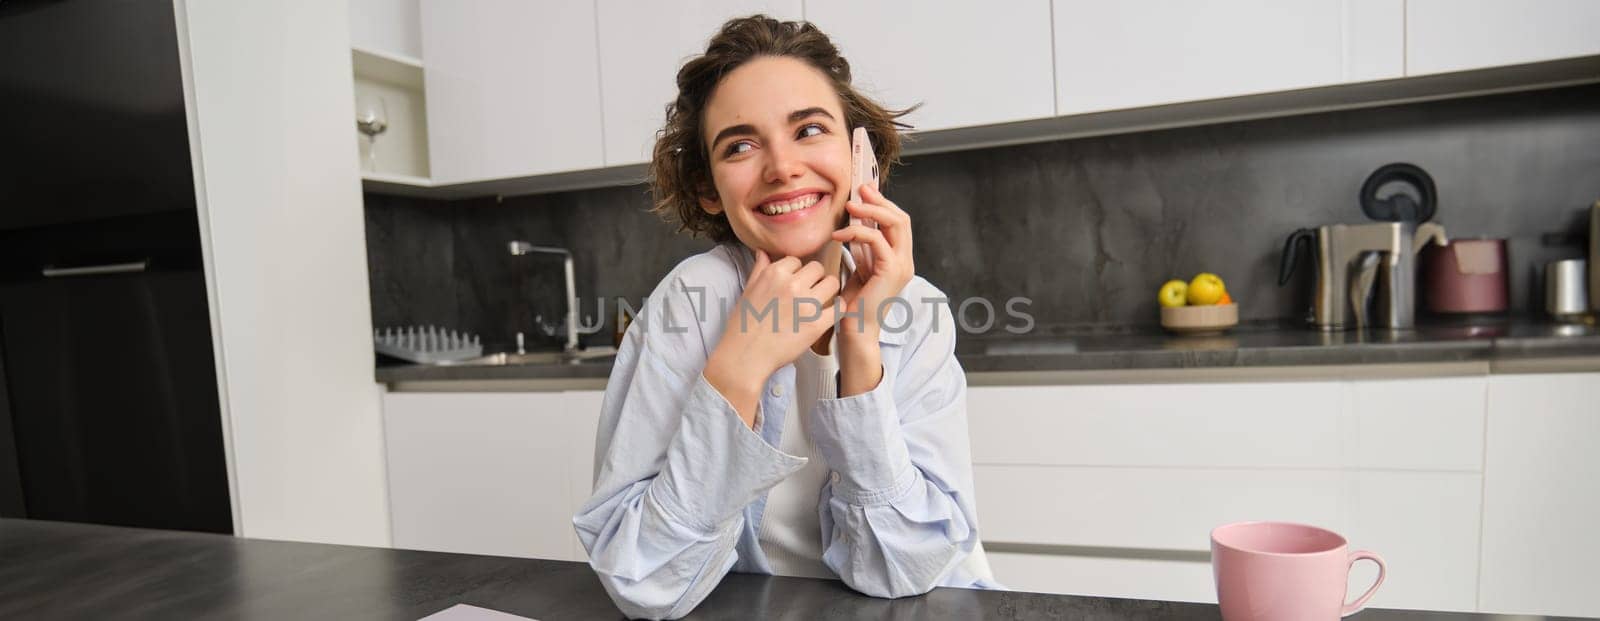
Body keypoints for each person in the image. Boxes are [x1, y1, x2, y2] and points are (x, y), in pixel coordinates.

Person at [572, 15, 998, 620]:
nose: (781, 167)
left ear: (859, 154)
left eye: (809, 130)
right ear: (709, 189)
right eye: (740, 145)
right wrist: (739, 369)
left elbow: (904, 569)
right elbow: (646, 582)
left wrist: (859, 340)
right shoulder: (691, 303)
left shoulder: (915, 307)